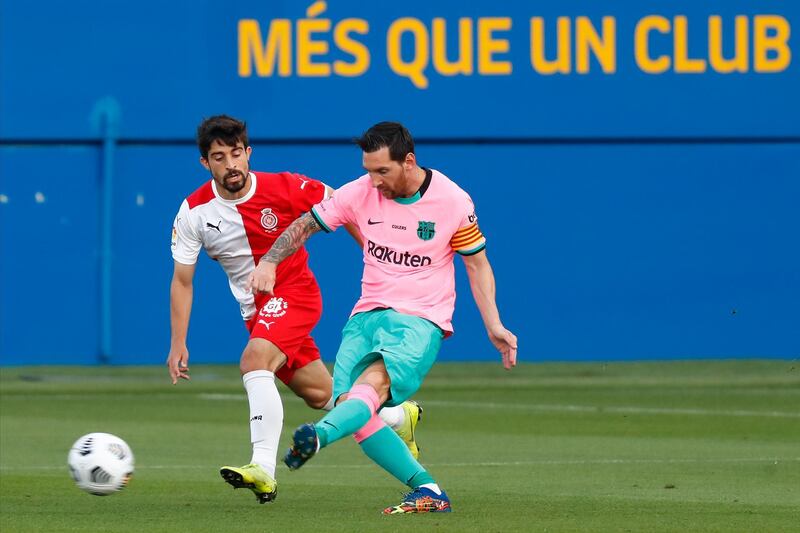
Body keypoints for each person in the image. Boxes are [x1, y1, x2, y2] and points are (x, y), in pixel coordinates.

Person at [249, 121, 518, 514]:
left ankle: (318, 438)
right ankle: (429, 490)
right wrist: (270, 261)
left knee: (366, 392)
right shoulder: (359, 192)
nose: (373, 181)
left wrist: (494, 324)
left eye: (382, 171)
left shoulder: (452, 201)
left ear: (408, 162)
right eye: (368, 171)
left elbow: (477, 265)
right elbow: (306, 223)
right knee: (354, 411)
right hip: (366, 316)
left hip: (419, 320)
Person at [166, 115, 423, 505]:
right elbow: (183, 280)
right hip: (256, 312)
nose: (231, 164)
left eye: (237, 154)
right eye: (219, 157)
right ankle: (400, 417)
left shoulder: (286, 187)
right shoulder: (194, 212)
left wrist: (377, 259)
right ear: (206, 163)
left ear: (248, 153)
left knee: (254, 361)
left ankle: (263, 470)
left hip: (295, 292)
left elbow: (346, 207)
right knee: (326, 395)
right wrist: (178, 342)